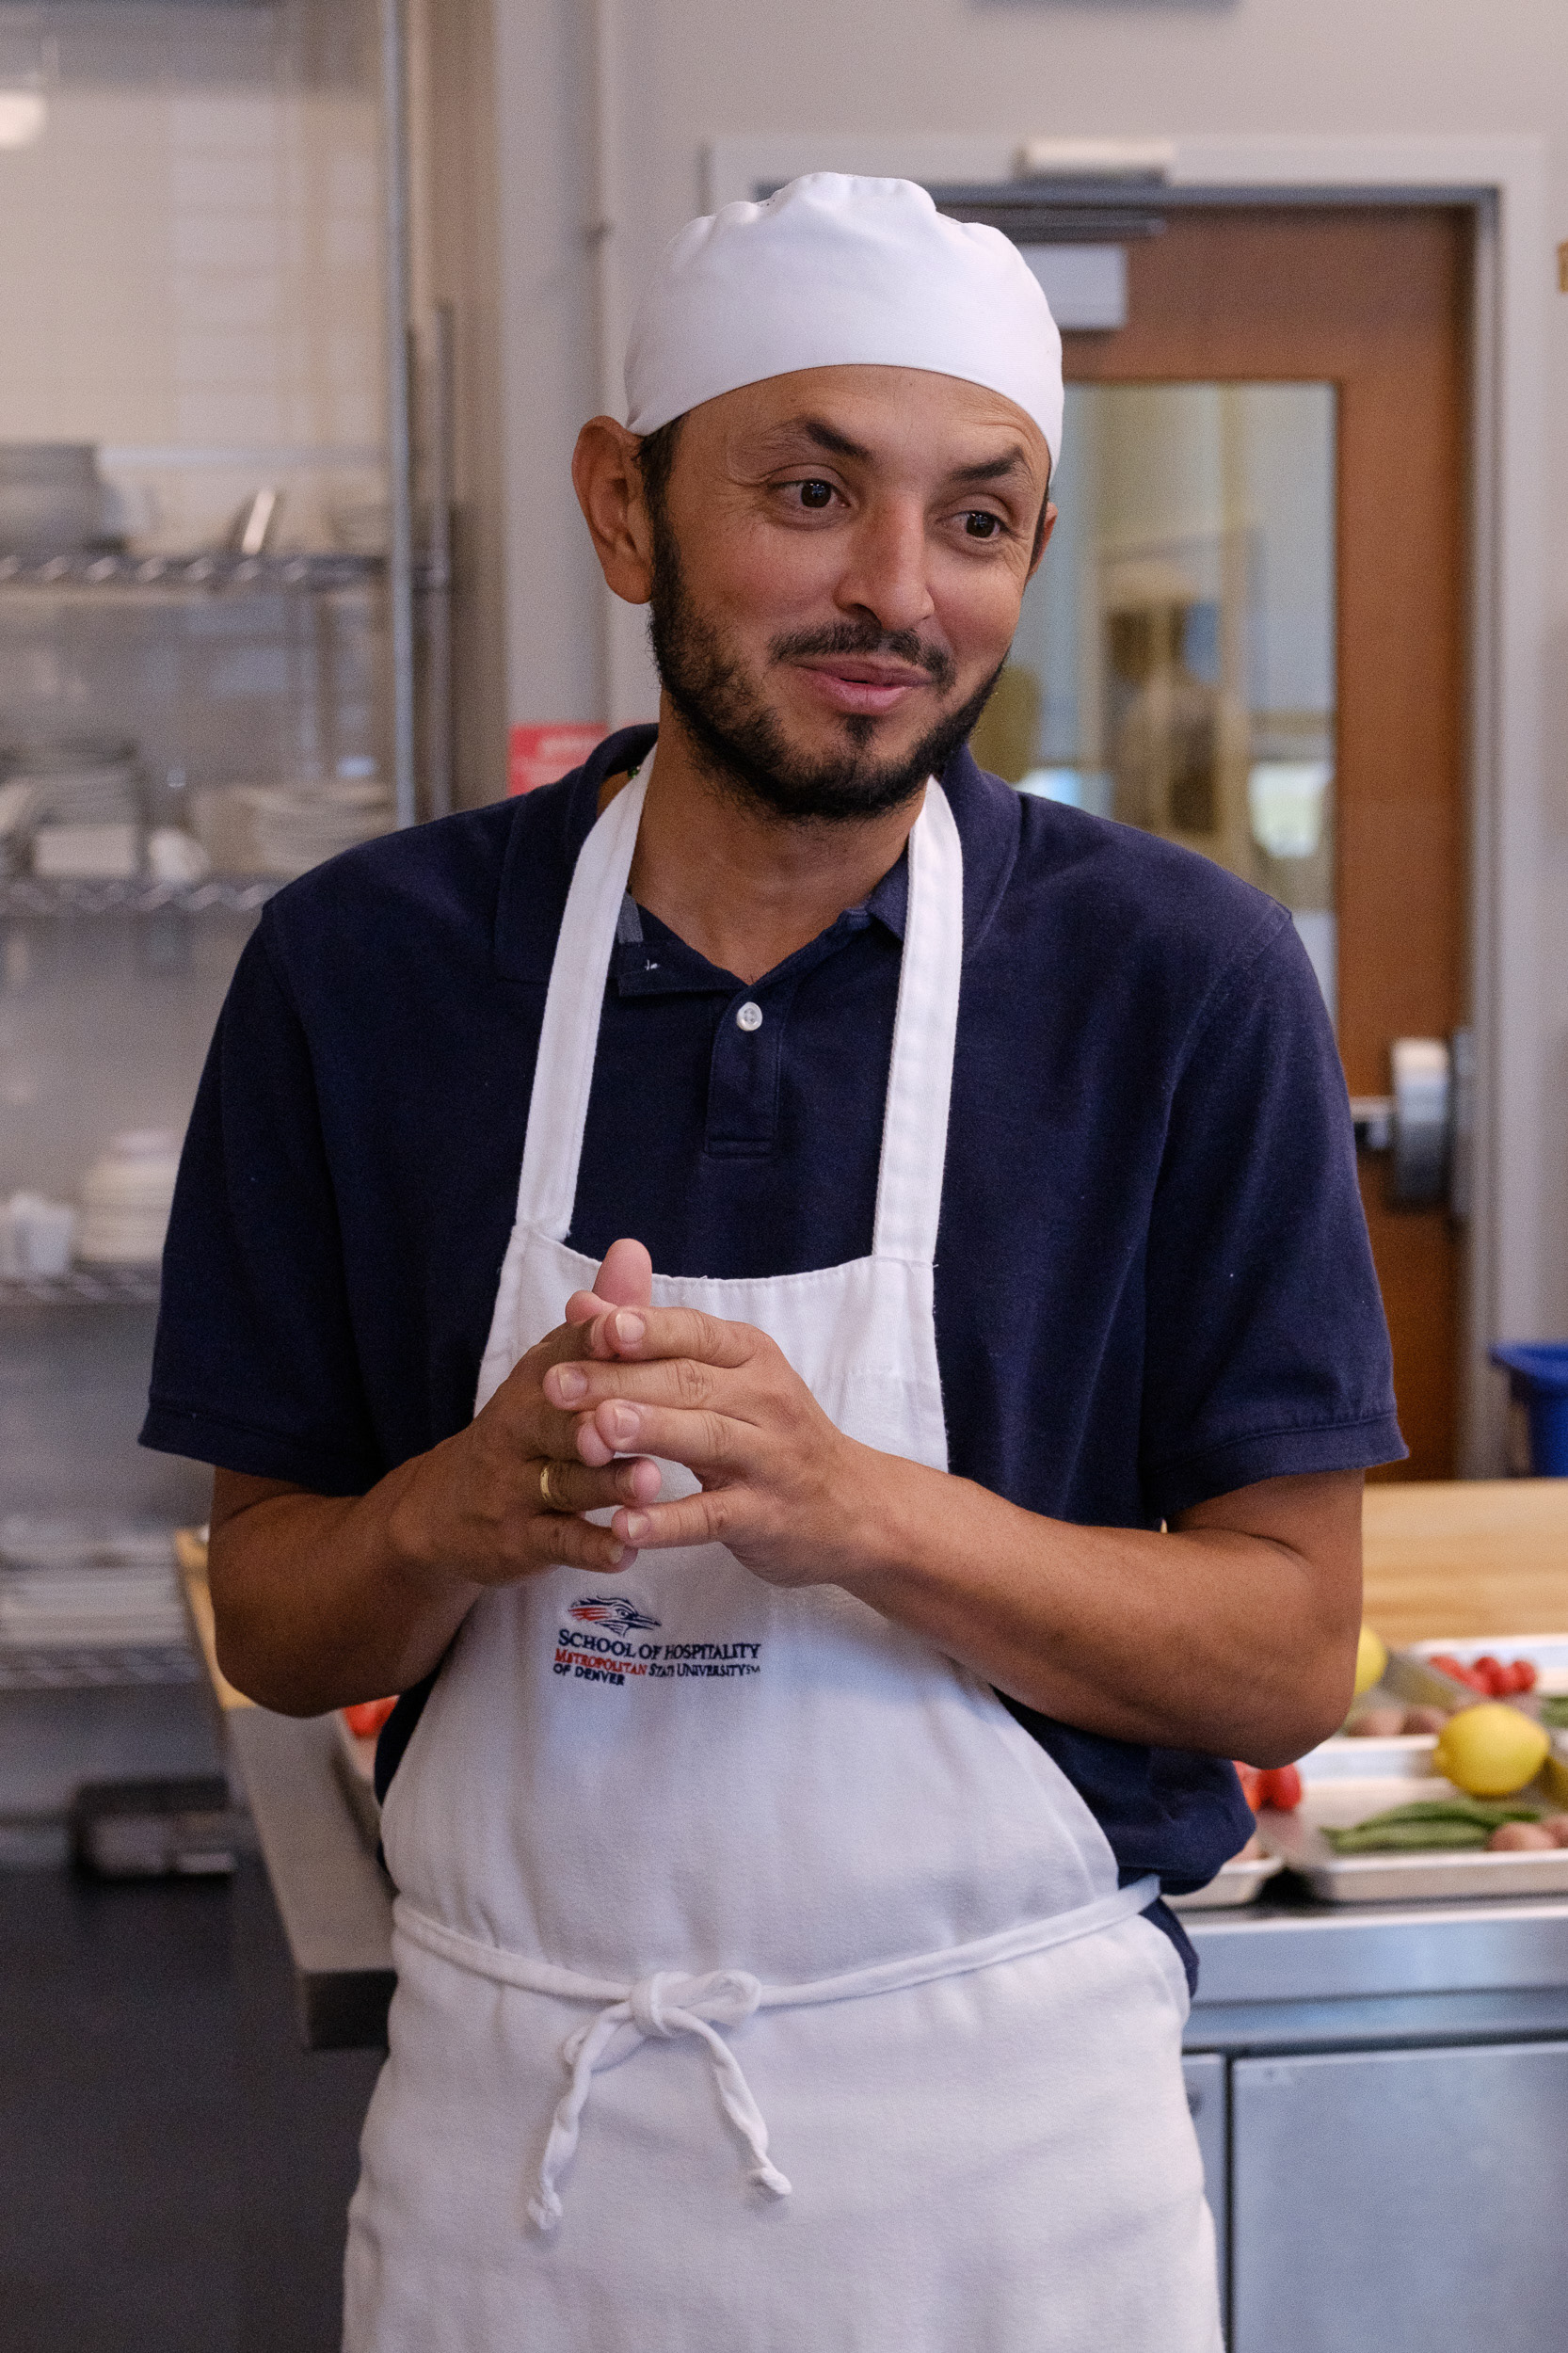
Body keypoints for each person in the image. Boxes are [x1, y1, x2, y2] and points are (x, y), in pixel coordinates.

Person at [143, 174, 1403, 2351]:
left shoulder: (1175, 981)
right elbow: (270, 1616)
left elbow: (1287, 1651)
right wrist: (457, 1508)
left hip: (1007, 2173)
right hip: (513, 2178)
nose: (894, 592)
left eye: (979, 517)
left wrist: (850, 1508)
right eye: (808, 491)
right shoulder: (366, 972)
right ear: (622, 510)